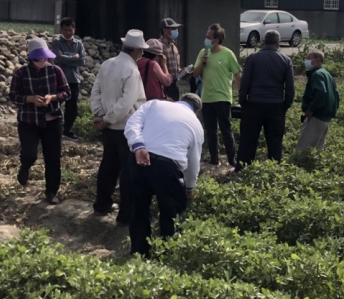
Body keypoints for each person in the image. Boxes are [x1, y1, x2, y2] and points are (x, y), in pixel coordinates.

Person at [124, 93, 204, 257]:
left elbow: (132, 123)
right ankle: (168, 255)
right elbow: (193, 162)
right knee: (172, 213)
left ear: (179, 100)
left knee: (139, 208)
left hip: (139, 159)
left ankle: (139, 254)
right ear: (196, 111)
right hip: (168, 168)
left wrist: (138, 145)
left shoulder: (154, 104)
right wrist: (189, 188)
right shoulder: (196, 124)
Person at [89, 29, 148, 221]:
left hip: (108, 127)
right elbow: (127, 102)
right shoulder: (131, 70)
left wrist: (100, 114)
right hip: (126, 128)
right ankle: (125, 215)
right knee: (127, 171)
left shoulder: (107, 64)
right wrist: (108, 118)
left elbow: (95, 91)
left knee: (108, 166)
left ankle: (102, 204)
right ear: (138, 51)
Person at [8, 38, 72, 205]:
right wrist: (29, 99)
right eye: (39, 59)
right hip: (29, 121)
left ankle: (51, 192)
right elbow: (13, 96)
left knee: (53, 159)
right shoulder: (20, 73)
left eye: (45, 58)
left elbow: (67, 92)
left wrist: (52, 97)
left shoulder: (56, 71)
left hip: (53, 121)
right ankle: (25, 167)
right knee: (29, 154)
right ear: (31, 58)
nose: (43, 61)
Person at [235, 30, 294, 172]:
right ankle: (273, 172)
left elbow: (245, 83)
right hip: (276, 106)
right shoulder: (285, 60)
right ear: (278, 43)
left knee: (248, 141)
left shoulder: (253, 58)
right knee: (274, 142)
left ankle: (243, 171)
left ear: (263, 41)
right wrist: (284, 106)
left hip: (253, 104)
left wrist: (244, 102)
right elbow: (290, 88)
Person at [192, 23, 241, 166]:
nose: (206, 39)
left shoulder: (228, 54)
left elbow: (237, 74)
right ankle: (214, 159)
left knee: (226, 129)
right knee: (210, 131)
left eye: (209, 37)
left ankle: (232, 159)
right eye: (206, 37)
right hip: (206, 98)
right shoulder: (203, 53)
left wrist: (241, 94)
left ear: (217, 39)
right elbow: (195, 74)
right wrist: (202, 63)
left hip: (223, 97)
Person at [49, 17, 87, 141]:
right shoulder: (56, 42)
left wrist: (67, 58)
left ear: (74, 30)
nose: (68, 33)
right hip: (59, 79)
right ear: (61, 30)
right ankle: (52, 129)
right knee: (55, 104)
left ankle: (67, 130)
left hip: (74, 79)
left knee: (72, 107)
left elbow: (82, 61)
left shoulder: (79, 43)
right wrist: (74, 57)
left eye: (70, 30)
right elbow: (58, 59)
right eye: (65, 30)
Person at [296, 49, 339, 153]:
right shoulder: (326, 74)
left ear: (317, 60)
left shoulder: (317, 74)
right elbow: (336, 95)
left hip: (316, 117)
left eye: (308, 58)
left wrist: (310, 109)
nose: (306, 61)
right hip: (325, 118)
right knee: (316, 151)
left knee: (302, 150)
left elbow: (321, 92)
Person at [158, 18, 183, 100]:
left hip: (174, 84)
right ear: (165, 31)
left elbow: (175, 67)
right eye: (173, 29)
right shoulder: (159, 45)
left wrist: (183, 71)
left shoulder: (173, 45)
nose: (176, 31)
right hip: (163, 85)